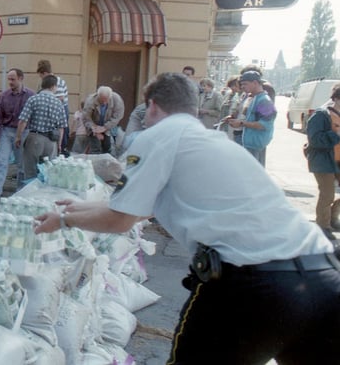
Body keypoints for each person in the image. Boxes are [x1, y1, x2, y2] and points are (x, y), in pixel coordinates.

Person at [34, 72, 340, 364]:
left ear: (152, 105)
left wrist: (62, 221)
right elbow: (139, 208)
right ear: (193, 108)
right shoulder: (212, 142)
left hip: (254, 286)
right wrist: (74, 209)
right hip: (323, 276)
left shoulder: (156, 137)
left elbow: (121, 219)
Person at [0, 68, 35, 203]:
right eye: (9, 79)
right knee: (1, 161)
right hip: (7, 130)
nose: (10, 82)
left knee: (21, 163)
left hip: (24, 131)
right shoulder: (4, 96)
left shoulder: (30, 95)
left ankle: (20, 191)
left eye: (13, 79)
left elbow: (34, 116)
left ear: (20, 78)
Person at [15, 74, 66, 181]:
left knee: (30, 172)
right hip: (51, 142)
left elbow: (23, 121)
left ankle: (29, 194)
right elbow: (61, 127)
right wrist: (59, 144)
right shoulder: (59, 103)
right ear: (53, 86)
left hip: (34, 138)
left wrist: (18, 137)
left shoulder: (33, 99)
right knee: (49, 173)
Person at [305, 84, 340, 239]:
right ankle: (323, 227)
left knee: (330, 195)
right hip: (324, 160)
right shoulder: (321, 114)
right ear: (337, 99)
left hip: (337, 160)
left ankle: (332, 219)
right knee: (327, 194)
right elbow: (315, 140)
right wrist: (336, 133)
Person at [225, 71, 276, 166]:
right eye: (241, 84)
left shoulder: (264, 101)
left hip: (255, 146)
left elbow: (264, 125)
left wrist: (241, 124)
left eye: (245, 84)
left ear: (255, 83)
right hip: (248, 144)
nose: (242, 87)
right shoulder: (252, 98)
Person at [36, 60, 70, 153]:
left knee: (57, 133)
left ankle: (60, 151)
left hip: (59, 110)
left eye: (41, 75)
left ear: (45, 73)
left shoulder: (55, 81)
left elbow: (60, 98)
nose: (41, 78)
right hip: (58, 109)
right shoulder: (56, 80)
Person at [82, 85, 125, 155]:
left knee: (107, 150)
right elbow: (86, 118)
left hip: (108, 126)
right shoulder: (90, 101)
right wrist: (95, 130)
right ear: (98, 96)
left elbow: (117, 117)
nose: (104, 103)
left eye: (106, 100)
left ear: (110, 97)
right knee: (95, 150)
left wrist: (105, 128)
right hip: (93, 126)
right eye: (102, 100)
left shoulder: (117, 100)